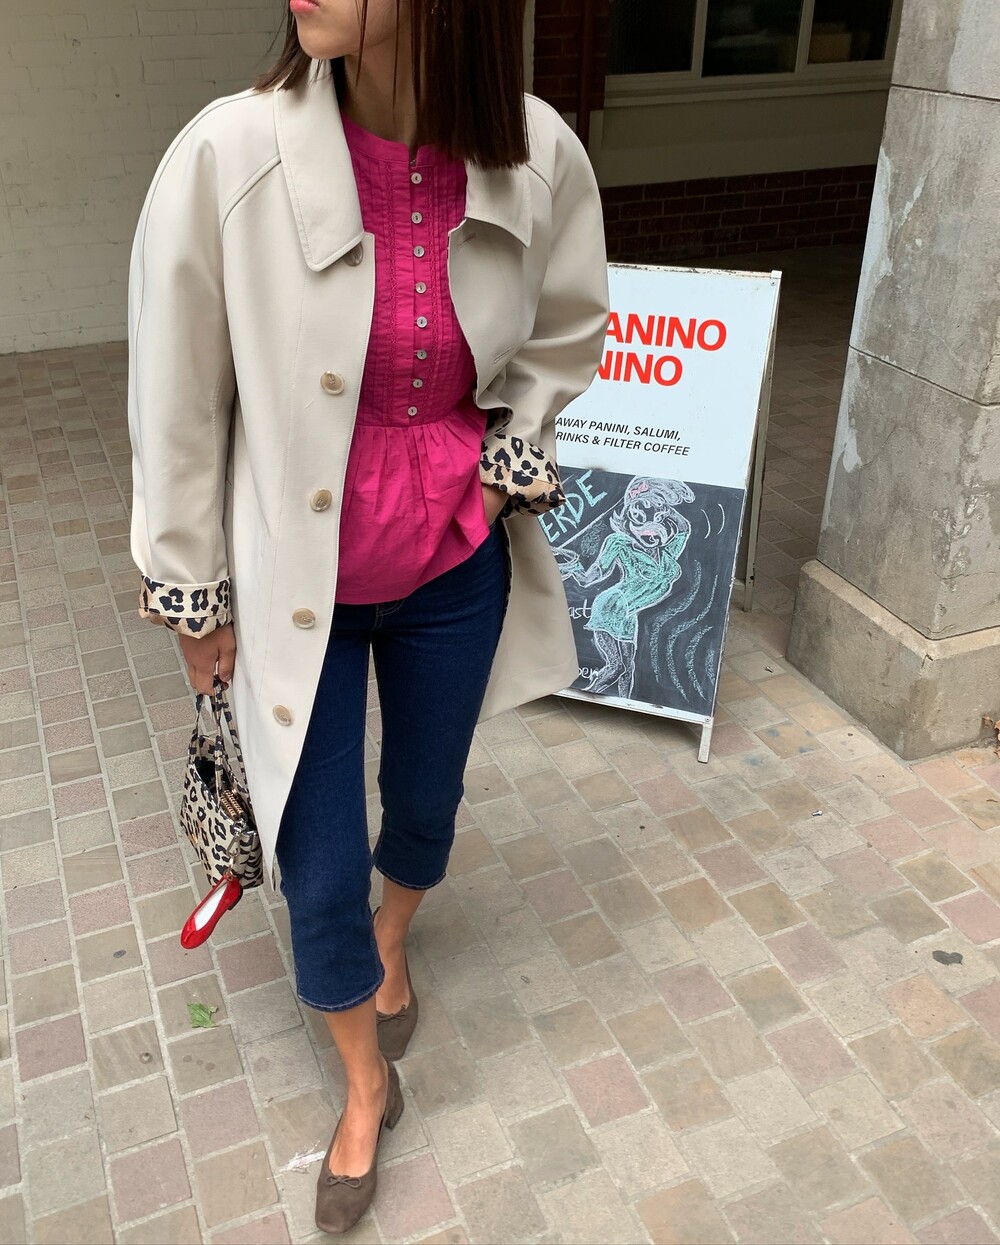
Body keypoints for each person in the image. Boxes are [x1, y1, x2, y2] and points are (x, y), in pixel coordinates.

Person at [127, 0, 608, 1233]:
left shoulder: (536, 152)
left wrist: (503, 464)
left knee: (429, 801)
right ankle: (361, 1083)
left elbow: (566, 328)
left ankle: (399, 939)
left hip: (453, 565)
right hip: (297, 590)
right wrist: (189, 586)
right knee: (319, 864)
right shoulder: (228, 153)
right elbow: (176, 396)